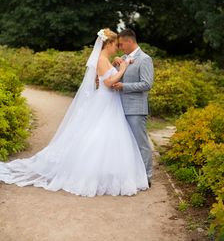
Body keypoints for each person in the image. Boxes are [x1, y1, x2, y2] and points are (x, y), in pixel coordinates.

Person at [0, 28, 149, 197]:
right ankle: (93, 174)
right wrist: (122, 69)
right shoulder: (101, 59)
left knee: (108, 136)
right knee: (100, 135)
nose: (117, 48)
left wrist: (116, 65)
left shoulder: (105, 59)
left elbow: (106, 75)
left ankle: (105, 173)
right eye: (116, 44)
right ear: (108, 44)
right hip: (106, 101)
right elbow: (108, 82)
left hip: (110, 101)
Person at [112, 29, 154, 187]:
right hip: (119, 108)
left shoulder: (145, 59)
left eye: (121, 44)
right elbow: (113, 77)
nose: (120, 47)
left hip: (136, 109)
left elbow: (147, 84)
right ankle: (131, 176)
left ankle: (146, 177)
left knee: (141, 144)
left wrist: (124, 86)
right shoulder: (122, 59)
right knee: (125, 143)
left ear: (130, 41)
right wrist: (114, 65)